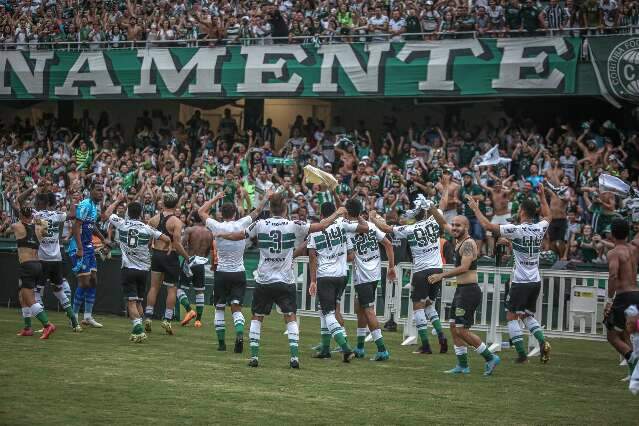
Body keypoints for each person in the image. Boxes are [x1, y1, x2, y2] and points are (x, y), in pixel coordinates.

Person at [218, 193, 345, 368]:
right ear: (285, 208)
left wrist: (222, 234)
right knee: (290, 317)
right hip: (285, 279)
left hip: (264, 280)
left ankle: (254, 356)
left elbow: (239, 235)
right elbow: (322, 225)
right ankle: (294, 357)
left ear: (270, 209)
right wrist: (337, 213)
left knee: (257, 317)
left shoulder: (260, 224)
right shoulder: (294, 225)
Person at [466, 185, 552, 364]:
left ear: (521, 211)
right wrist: (543, 196)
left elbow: (487, 225)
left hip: (520, 281)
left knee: (511, 316)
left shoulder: (516, 229)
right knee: (527, 315)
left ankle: (521, 355)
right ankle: (543, 343)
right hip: (535, 280)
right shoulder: (539, 228)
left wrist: (475, 208)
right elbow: (549, 216)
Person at [369, 196, 449, 355]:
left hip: (421, 271)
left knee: (418, 307)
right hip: (437, 269)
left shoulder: (409, 229)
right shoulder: (433, 222)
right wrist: (432, 205)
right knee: (429, 305)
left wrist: (373, 218)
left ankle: (425, 344)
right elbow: (441, 213)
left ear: (414, 215)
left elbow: (386, 229)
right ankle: (441, 335)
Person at [198, 189, 271, 352]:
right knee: (236, 306)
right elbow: (258, 211)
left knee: (219, 307)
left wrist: (216, 197)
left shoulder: (216, 226)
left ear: (221, 214)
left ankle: (222, 343)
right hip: (239, 272)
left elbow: (200, 211)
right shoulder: (241, 223)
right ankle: (239, 334)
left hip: (222, 272)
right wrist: (266, 197)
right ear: (235, 213)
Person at [427, 216, 500, 376]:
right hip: (461, 290)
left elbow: (464, 267)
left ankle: (490, 357)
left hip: (469, 291)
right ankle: (462, 365)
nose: (454, 227)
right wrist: (432, 208)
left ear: (466, 227)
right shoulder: (457, 237)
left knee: (461, 330)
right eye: (453, 225)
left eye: (458, 225)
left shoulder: (468, 243)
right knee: (454, 328)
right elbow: (443, 223)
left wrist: (441, 276)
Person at [104, 196, 171, 342]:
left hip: (128, 268)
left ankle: (139, 329)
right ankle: (139, 327)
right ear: (140, 214)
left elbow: (108, 213)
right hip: (144, 270)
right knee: (139, 301)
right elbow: (167, 239)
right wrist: (166, 250)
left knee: (131, 302)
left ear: (128, 212)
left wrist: (118, 200)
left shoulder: (122, 223)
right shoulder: (147, 228)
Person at [308, 201, 368, 361]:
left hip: (325, 276)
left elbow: (312, 257)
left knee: (328, 313)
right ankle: (325, 348)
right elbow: (365, 230)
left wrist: (313, 280)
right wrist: (358, 215)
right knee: (325, 309)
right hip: (341, 276)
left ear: (321, 214)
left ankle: (346, 348)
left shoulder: (315, 230)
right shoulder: (342, 226)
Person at [345, 199, 396, 361]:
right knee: (359, 307)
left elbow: (350, 256)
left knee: (368, 310)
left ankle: (382, 350)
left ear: (347, 212)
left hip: (363, 276)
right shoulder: (371, 226)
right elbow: (388, 244)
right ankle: (360, 347)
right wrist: (391, 266)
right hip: (374, 274)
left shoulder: (349, 230)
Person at [33, 192, 81, 331]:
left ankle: (45, 324)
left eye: (37, 202)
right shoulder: (57, 215)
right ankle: (74, 321)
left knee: (36, 292)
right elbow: (73, 214)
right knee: (58, 290)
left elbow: (19, 204)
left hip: (42, 259)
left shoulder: (36, 215)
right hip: (57, 259)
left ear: (42, 203)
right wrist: (72, 198)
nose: (35, 204)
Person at [145, 192, 190, 335]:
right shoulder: (177, 222)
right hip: (170, 257)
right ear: (177, 205)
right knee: (172, 289)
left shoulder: (153, 219)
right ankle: (167, 319)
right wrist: (187, 257)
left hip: (156, 254)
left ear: (162, 203)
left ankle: (148, 317)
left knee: (153, 287)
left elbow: (147, 241)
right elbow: (176, 244)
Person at [69, 181, 110, 328]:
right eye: (98, 190)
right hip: (79, 248)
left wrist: (103, 239)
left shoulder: (94, 206)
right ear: (91, 190)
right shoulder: (85, 204)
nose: (101, 193)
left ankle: (87, 317)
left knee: (93, 280)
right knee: (84, 282)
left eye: (102, 190)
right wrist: (79, 248)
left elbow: (91, 226)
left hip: (89, 247)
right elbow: (76, 226)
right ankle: (73, 316)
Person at [13, 206, 56, 339]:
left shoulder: (16, 226)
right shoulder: (38, 228)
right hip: (37, 265)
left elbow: (6, 228)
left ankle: (47, 324)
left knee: (29, 299)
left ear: (21, 215)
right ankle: (27, 328)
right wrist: (37, 220)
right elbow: (46, 229)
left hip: (27, 265)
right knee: (22, 296)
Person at [605, 219, 639, 376]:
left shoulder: (613, 253)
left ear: (612, 234)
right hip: (636, 293)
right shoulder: (634, 248)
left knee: (612, 336)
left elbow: (613, 275)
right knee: (625, 333)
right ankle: (633, 373)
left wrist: (609, 300)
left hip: (623, 296)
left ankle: (634, 360)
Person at [177, 212, 213, 330]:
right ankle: (198, 320)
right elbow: (209, 251)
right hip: (201, 263)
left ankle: (189, 310)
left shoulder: (190, 230)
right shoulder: (209, 233)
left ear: (193, 219)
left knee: (179, 289)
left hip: (190, 261)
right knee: (200, 291)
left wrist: (188, 251)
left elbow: (181, 245)